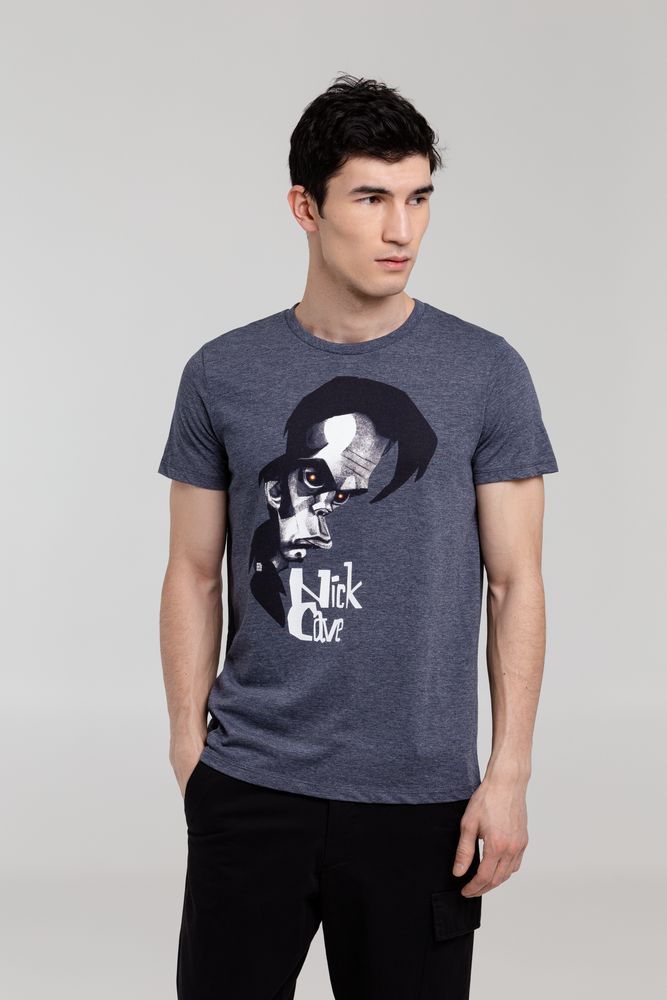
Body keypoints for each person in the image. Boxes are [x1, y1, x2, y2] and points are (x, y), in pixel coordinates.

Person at [158, 72, 559, 1000]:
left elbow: (517, 583)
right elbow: (191, 571)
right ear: (305, 207)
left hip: (420, 797)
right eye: (371, 198)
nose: (401, 230)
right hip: (252, 782)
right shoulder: (222, 373)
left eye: (418, 198)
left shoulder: (485, 373)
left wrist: (508, 773)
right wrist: (189, 750)